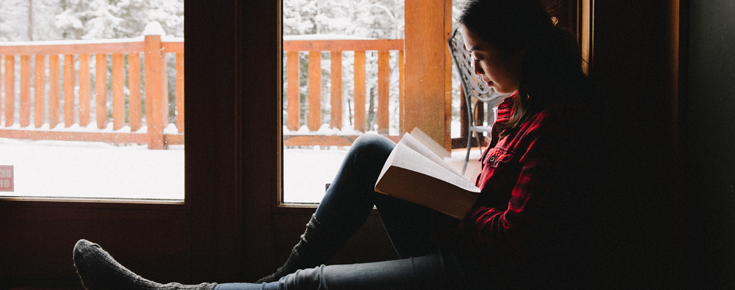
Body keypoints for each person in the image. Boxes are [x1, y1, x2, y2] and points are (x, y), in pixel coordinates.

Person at [72, 0, 597, 289]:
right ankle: (275, 279)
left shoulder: (557, 122)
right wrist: (451, 193)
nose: (478, 68)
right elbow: (492, 203)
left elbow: (518, 243)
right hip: (467, 245)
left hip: (489, 276)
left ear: (521, 48)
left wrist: (454, 208)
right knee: (373, 149)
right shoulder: (516, 105)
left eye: (481, 55)